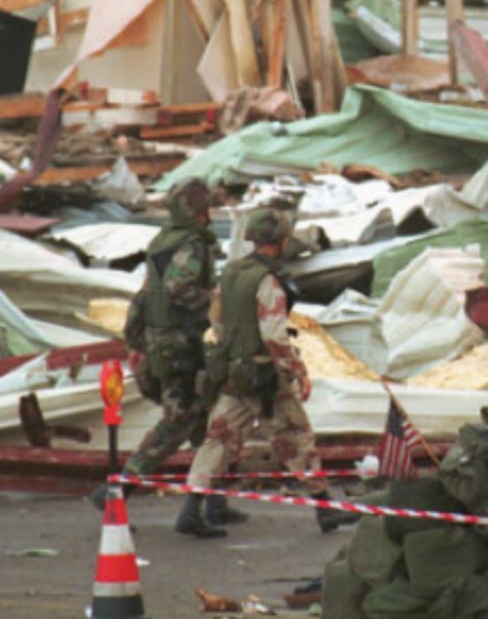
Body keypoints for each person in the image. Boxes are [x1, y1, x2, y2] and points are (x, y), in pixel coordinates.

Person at [177, 207, 357, 538]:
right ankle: (324, 510)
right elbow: (273, 334)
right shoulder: (268, 281)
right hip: (264, 377)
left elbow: (216, 321)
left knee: (218, 438)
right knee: (295, 436)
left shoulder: (230, 273)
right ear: (281, 240)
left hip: (232, 372)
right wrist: (296, 368)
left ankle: (191, 508)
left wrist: (234, 351)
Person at [91, 178, 245, 528]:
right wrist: (218, 301)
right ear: (198, 210)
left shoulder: (162, 241)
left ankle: (209, 501)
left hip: (162, 343)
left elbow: (144, 296)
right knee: (178, 424)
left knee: (203, 425)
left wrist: (134, 342)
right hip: (181, 347)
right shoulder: (191, 245)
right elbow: (179, 287)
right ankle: (117, 491)